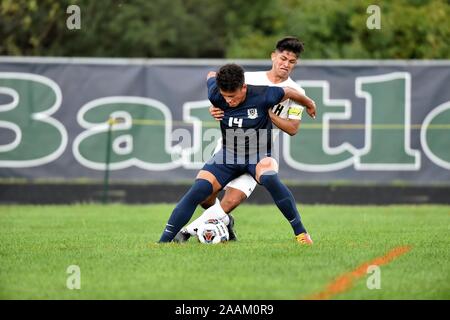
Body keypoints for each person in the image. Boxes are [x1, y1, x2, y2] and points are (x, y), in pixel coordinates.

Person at [175, 36, 313, 242]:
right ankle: (225, 222)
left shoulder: (296, 92)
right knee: (205, 197)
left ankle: (186, 232)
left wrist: (267, 113)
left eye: (291, 62)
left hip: (257, 152)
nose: (286, 64)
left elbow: (293, 128)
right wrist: (216, 108)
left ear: (296, 64)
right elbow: (222, 95)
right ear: (273, 56)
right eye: (283, 58)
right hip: (228, 147)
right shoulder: (248, 79)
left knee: (231, 199)